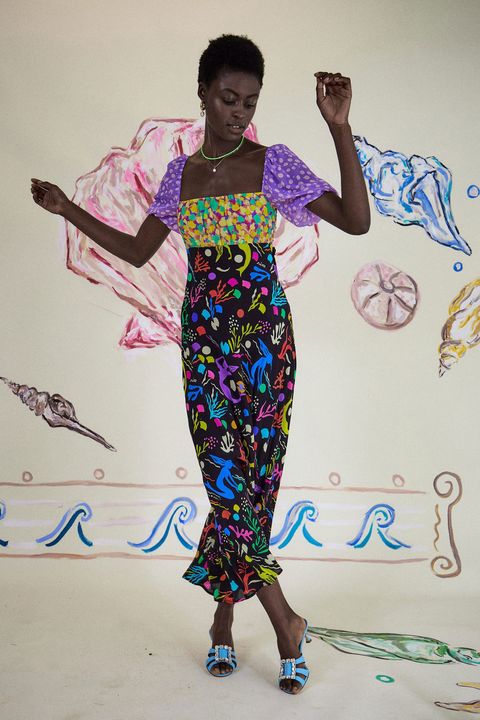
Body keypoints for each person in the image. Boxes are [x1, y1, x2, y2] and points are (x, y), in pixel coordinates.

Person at [30, 33, 370, 694]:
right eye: (227, 98)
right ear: (203, 94)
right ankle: (285, 621)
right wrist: (68, 209)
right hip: (206, 347)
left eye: (250, 101)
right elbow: (137, 252)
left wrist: (339, 127)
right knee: (226, 484)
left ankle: (222, 619)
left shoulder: (272, 165)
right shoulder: (180, 177)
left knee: (253, 488)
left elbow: (355, 220)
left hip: (266, 347)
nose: (239, 112)